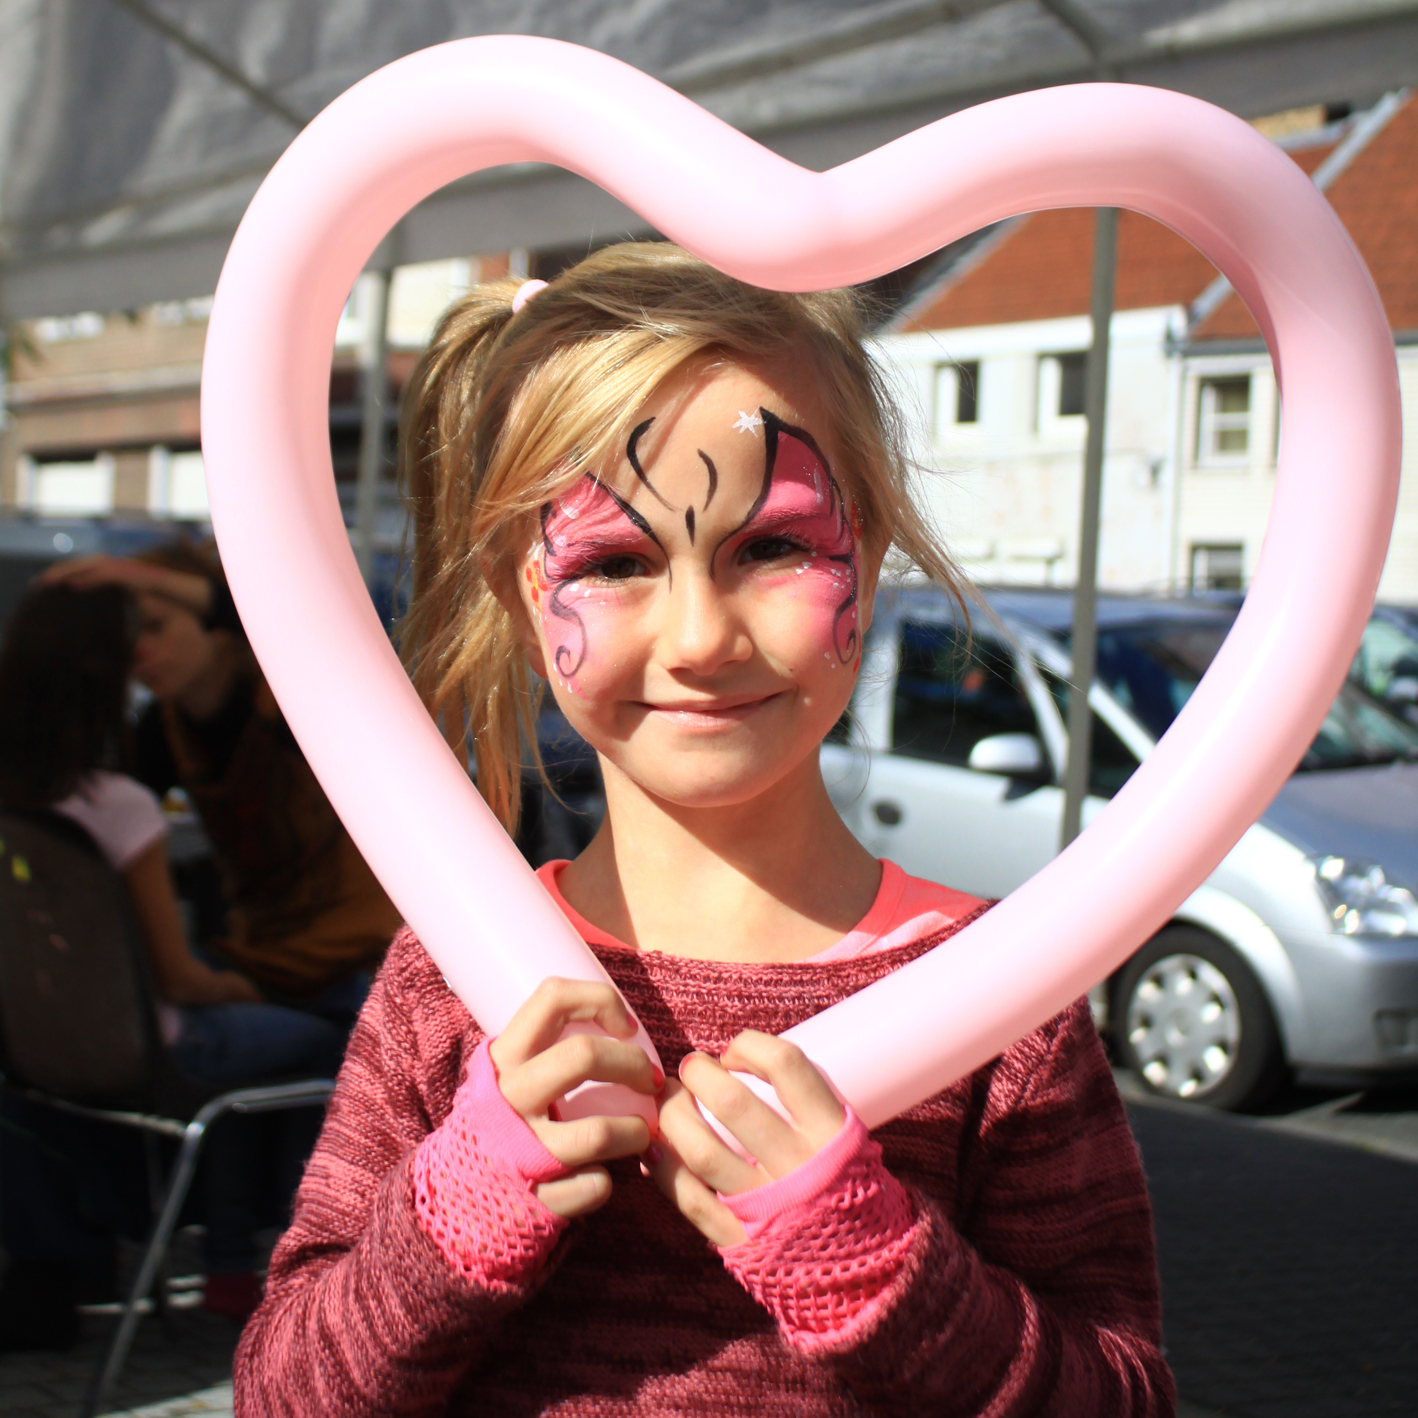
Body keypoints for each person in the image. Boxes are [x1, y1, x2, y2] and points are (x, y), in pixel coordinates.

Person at [234, 245, 1175, 1415]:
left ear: (869, 557)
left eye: (771, 546)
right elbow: (283, 1391)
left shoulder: (1000, 1004)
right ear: (522, 599)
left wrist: (875, 1265)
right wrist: (458, 1204)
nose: (697, 637)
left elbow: (1122, 1397)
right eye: (616, 561)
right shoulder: (450, 979)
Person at [0, 582, 347, 1342]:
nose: (146, 654)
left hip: (42, 1054)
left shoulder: (22, 795)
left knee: (258, 1053)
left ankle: (228, 1268)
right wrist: (237, 986)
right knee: (322, 1052)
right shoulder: (120, 803)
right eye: (136, 637)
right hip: (155, 1048)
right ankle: (272, 1267)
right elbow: (181, 979)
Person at [44, 543, 401, 1015]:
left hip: (357, 970)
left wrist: (145, 578)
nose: (138, 649)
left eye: (156, 625)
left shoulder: (290, 702)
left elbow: (278, 626)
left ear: (214, 629)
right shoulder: (163, 727)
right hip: (258, 958)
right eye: (127, 634)